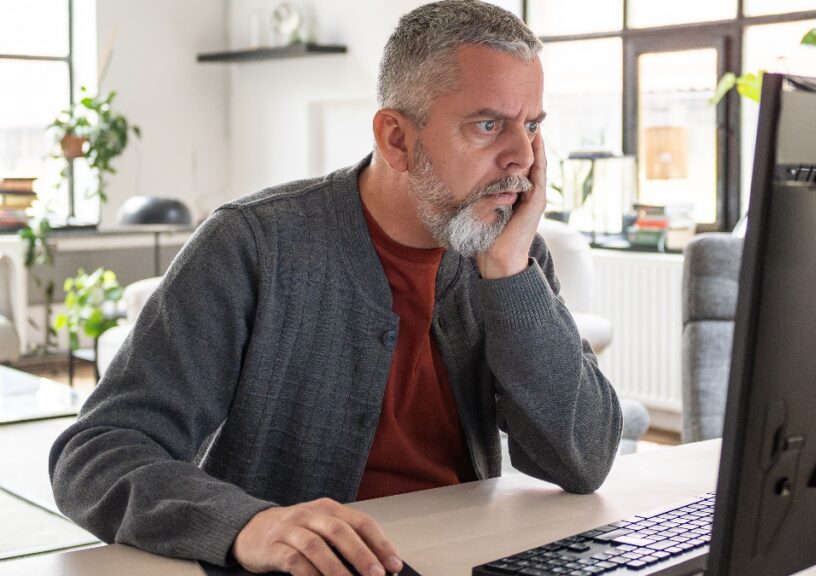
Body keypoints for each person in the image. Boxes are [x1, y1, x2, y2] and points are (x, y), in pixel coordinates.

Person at [49, 1, 623, 575]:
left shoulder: (511, 253)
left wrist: (512, 276)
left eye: (532, 125)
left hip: (459, 557)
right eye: (487, 124)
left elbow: (583, 460)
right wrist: (248, 523)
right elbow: (96, 453)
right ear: (396, 138)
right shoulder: (252, 244)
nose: (522, 156)